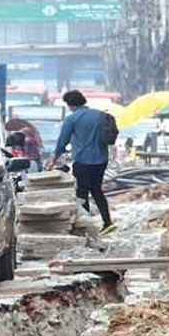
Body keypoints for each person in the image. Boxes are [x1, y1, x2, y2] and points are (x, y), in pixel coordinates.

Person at [53, 90, 115, 235]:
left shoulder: (72, 118)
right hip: (101, 160)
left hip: (83, 161)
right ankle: (107, 222)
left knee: (82, 193)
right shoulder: (100, 115)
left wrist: (53, 159)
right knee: (96, 190)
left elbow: (63, 141)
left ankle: (86, 227)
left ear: (70, 104)